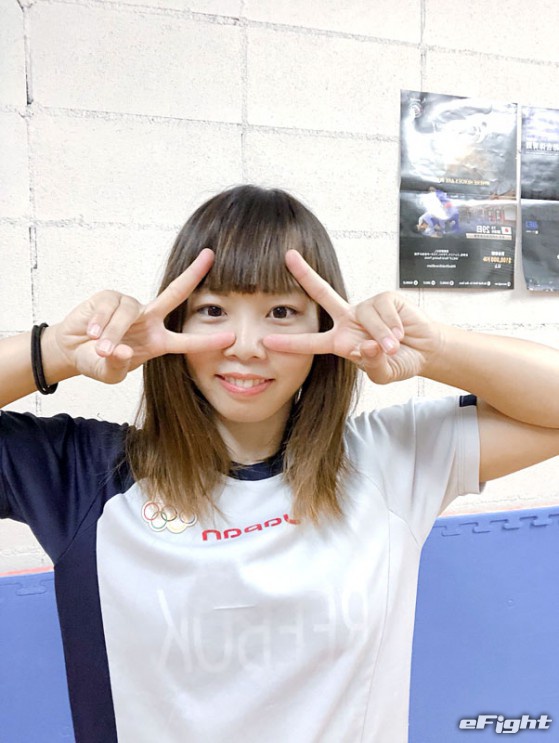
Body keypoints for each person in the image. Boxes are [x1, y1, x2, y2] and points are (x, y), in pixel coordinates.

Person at [1, 184, 558, 743]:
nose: (246, 345)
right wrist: (55, 350)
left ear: (325, 327)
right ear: (175, 323)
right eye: (213, 310)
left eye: (282, 312)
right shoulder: (84, 479)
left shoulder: (389, 458)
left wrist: (432, 348)